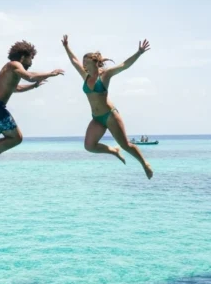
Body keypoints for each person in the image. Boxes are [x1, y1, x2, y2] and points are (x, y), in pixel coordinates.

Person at [61, 34, 154, 179]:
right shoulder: (85, 76)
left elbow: (124, 65)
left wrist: (139, 53)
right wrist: (66, 47)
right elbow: (74, 61)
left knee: (126, 145)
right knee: (89, 146)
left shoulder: (105, 75)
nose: (84, 65)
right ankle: (113, 151)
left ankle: (144, 163)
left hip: (110, 115)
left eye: (86, 63)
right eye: (83, 63)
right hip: (96, 118)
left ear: (94, 63)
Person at [0, 40, 64, 177]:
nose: (31, 62)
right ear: (23, 57)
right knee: (16, 138)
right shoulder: (14, 64)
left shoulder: (10, 69)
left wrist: (34, 86)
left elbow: (16, 88)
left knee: (13, 138)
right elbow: (30, 76)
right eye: (31, 58)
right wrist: (50, 73)